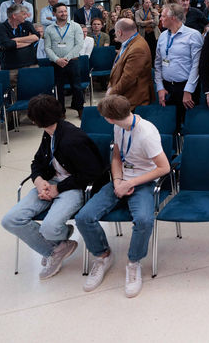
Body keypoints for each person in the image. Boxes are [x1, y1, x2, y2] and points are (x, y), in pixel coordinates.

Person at [75, 94, 171, 298]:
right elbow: (117, 157)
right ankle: (103, 256)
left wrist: (131, 183)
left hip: (143, 182)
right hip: (121, 179)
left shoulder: (146, 134)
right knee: (83, 217)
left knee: (144, 220)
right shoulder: (119, 126)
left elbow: (164, 168)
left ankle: (134, 263)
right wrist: (118, 181)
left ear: (109, 118)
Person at [0, 94, 103, 280]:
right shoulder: (49, 134)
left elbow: (91, 173)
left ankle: (56, 241)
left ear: (35, 120)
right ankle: (57, 248)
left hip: (73, 187)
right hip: (51, 183)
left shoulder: (72, 139)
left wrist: (58, 189)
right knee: (10, 220)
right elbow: (37, 162)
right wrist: (39, 181)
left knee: (49, 228)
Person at [154, 3, 202, 127]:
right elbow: (158, 64)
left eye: (163, 16)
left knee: (189, 125)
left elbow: (197, 65)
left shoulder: (193, 35)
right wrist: (160, 87)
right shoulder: (163, 36)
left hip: (186, 88)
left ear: (173, 18)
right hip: (167, 88)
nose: (160, 19)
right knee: (170, 125)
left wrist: (188, 90)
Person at [44, 3, 86, 114]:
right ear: (54, 13)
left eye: (65, 11)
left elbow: (79, 44)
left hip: (72, 61)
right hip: (56, 63)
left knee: (77, 87)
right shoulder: (49, 29)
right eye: (60, 11)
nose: (64, 13)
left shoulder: (75, 26)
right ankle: (61, 111)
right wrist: (57, 60)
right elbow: (47, 47)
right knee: (58, 89)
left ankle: (80, 109)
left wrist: (66, 58)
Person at [106, 18, 153, 108]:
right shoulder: (128, 42)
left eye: (115, 32)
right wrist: (110, 86)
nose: (115, 34)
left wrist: (111, 93)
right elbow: (116, 67)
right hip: (123, 94)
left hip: (132, 99)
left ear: (119, 32)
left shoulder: (138, 48)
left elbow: (128, 79)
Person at [0, 3, 40, 92]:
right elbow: (7, 45)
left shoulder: (27, 24)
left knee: (34, 91)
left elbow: (37, 37)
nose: (26, 16)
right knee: (14, 93)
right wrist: (28, 41)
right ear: (14, 16)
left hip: (31, 65)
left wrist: (17, 40)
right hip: (11, 68)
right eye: (23, 14)